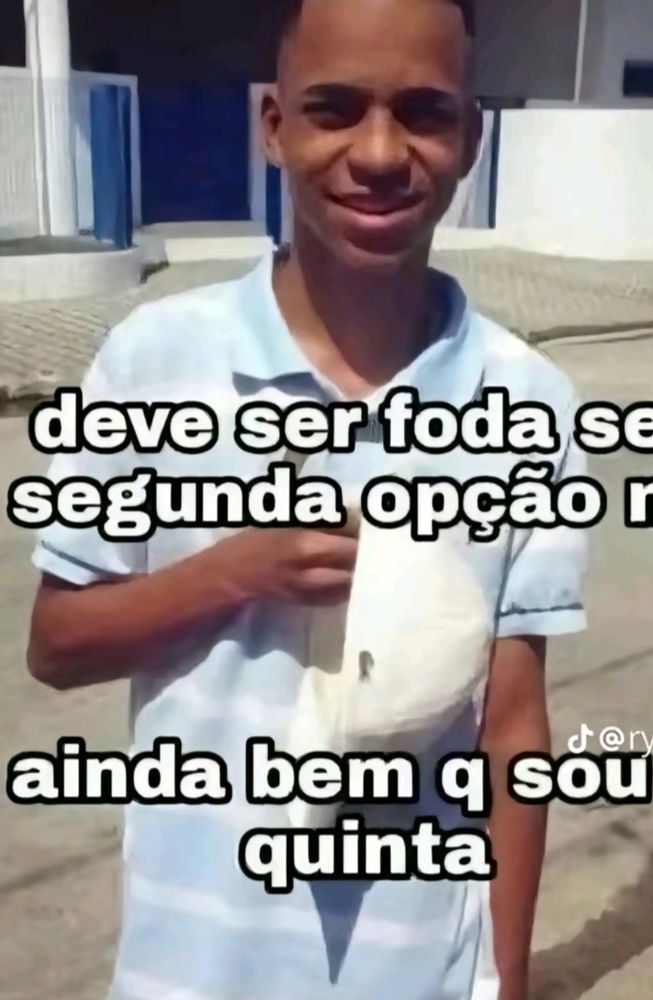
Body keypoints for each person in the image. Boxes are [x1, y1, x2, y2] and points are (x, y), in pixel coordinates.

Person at [27, 1, 588, 998]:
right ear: (274, 125)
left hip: (418, 971)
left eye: (423, 112)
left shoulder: (529, 404)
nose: (378, 153)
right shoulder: (154, 362)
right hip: (191, 969)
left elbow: (509, 729)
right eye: (335, 109)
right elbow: (58, 644)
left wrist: (505, 978)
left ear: (470, 137)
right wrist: (237, 570)